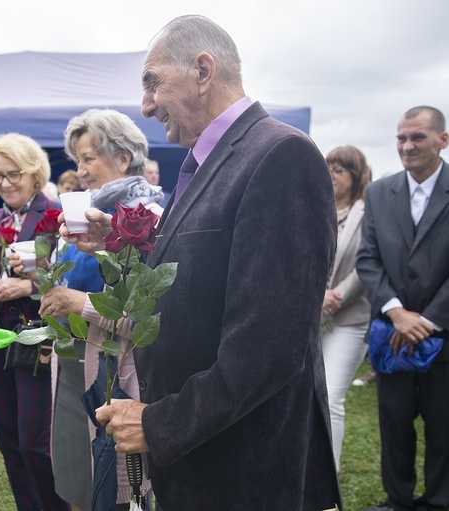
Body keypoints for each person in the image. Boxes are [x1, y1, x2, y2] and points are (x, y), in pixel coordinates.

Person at [61, 16, 341, 510]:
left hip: (243, 465)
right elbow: (205, 270)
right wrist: (120, 247)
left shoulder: (280, 154)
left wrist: (159, 423)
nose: (145, 105)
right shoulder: (207, 161)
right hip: (204, 451)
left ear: (203, 70)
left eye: (152, 82)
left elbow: (268, 349)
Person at [38, 108, 162, 510]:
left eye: (88, 158)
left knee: (118, 486)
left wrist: (80, 304)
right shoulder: (81, 213)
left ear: (123, 158)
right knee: (78, 477)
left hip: (121, 374)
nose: (81, 170)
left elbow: (149, 318)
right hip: (75, 364)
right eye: (77, 160)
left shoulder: (152, 220)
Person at [0, 132, 68, 511]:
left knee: (36, 445)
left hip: (39, 343)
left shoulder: (55, 215)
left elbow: (72, 277)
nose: (5, 184)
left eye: (14, 175)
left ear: (35, 174)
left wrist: (26, 285)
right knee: (8, 442)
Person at [356, 106, 449, 511]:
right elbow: (368, 258)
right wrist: (396, 312)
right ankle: (397, 499)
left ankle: (439, 500)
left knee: (443, 424)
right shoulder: (379, 192)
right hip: (391, 334)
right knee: (393, 421)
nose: (406, 146)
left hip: (442, 333)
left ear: (442, 140)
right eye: (400, 138)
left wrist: (426, 320)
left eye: (417, 137)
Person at [319, 145, 371, 473]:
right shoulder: (316, 207)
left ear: (356, 176)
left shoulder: (367, 213)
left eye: (340, 170)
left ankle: (329, 474)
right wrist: (316, 295)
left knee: (331, 394)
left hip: (349, 317)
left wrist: (333, 296)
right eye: (329, 167)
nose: (333, 175)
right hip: (314, 316)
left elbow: (367, 264)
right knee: (310, 394)